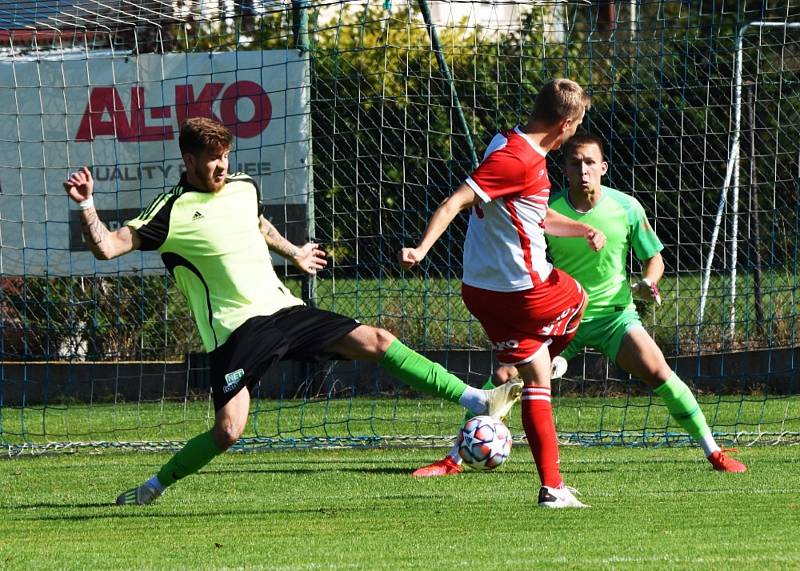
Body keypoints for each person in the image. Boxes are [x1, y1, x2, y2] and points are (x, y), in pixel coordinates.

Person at [64, 117, 523, 506]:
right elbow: (107, 247)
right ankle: (151, 487)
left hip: (285, 308)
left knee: (379, 340)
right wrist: (87, 204)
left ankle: (476, 400)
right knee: (228, 431)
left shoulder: (242, 186)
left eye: (226, 155)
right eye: (212, 158)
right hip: (238, 331)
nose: (222, 165)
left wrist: (295, 253)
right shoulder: (170, 211)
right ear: (188, 161)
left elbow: (258, 223)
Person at [412, 132, 747, 479]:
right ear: (565, 170)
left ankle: (714, 451)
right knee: (505, 376)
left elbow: (655, 258)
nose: (583, 170)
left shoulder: (627, 207)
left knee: (660, 372)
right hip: (558, 315)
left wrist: (650, 282)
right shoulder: (546, 207)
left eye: (590, 162)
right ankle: (453, 459)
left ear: (603, 167)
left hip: (613, 318)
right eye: (576, 163)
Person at [400, 79, 605, 508]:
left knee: (535, 381)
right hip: (523, 289)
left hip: (481, 290)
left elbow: (533, 212)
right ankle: (557, 356)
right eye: (577, 125)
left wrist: (580, 227)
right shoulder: (517, 161)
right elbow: (453, 202)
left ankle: (552, 487)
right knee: (578, 297)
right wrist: (421, 248)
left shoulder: (506, 142)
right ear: (565, 124)